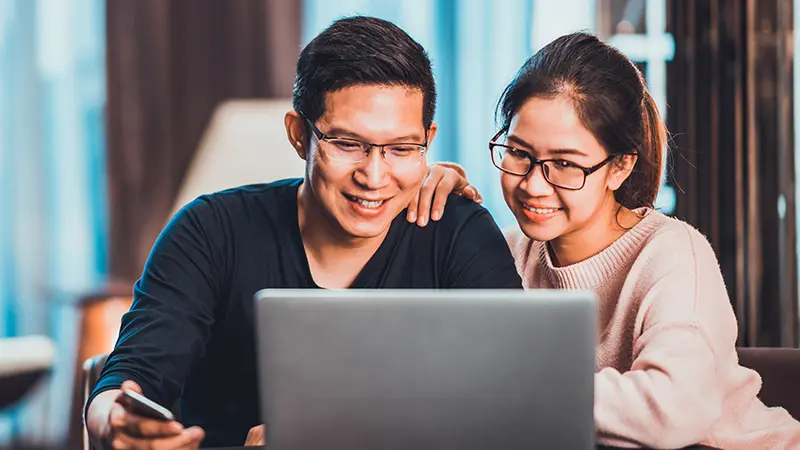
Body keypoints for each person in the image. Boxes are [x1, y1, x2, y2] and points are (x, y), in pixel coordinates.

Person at [85, 16, 522, 449]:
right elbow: (131, 375)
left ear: (428, 139)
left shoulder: (458, 232)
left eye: (401, 149)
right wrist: (114, 420)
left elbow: (514, 392)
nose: (374, 177)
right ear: (299, 135)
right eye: (347, 144)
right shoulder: (209, 230)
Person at [424, 32, 800, 449]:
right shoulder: (507, 253)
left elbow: (673, 411)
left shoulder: (671, 252)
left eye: (564, 163)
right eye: (519, 154)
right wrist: (422, 200)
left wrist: (509, 387)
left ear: (619, 168)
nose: (533, 185)